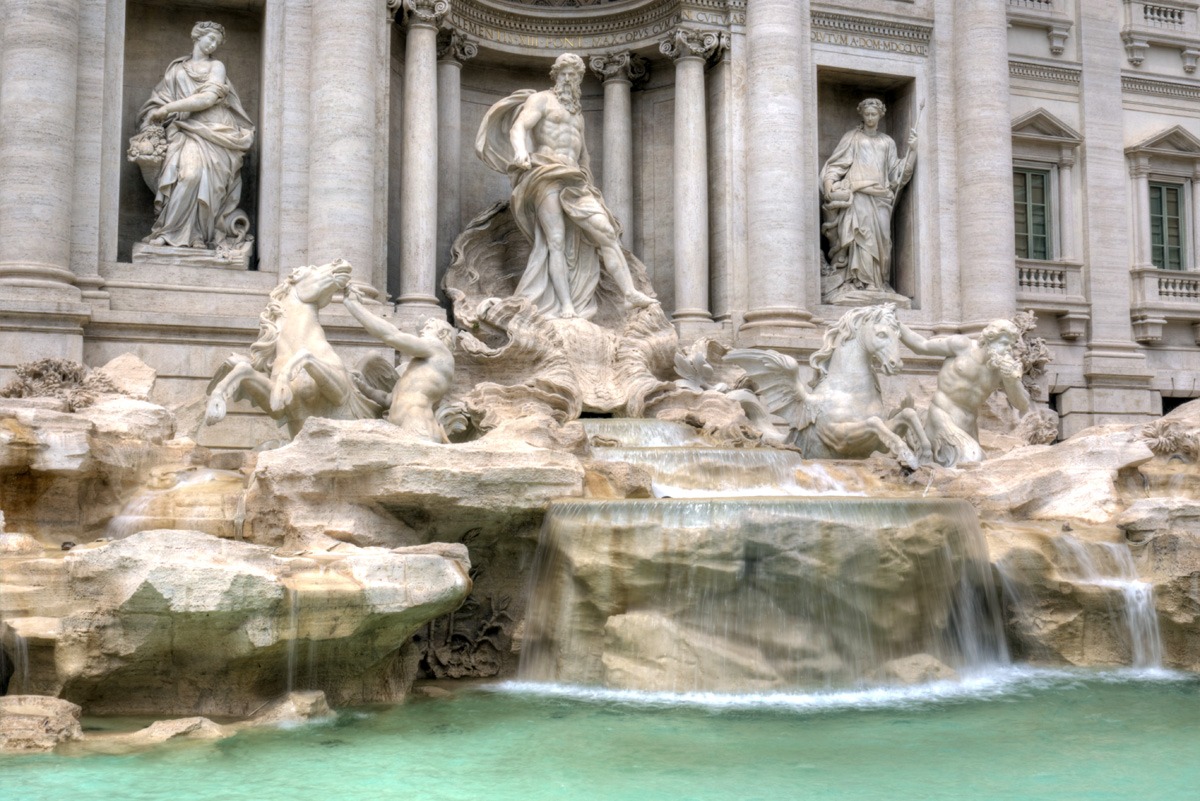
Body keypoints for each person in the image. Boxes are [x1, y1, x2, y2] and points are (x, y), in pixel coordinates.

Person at [475, 53, 655, 320]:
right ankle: (566, 306)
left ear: (580, 79)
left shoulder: (577, 115)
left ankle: (629, 293)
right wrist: (521, 152)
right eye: (564, 73)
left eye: (574, 74)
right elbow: (519, 127)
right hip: (545, 173)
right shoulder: (541, 100)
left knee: (606, 232)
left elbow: (584, 156)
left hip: (575, 179)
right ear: (555, 76)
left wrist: (590, 184)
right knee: (555, 241)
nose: (569, 78)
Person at [136, 21, 255, 250]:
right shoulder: (176, 70)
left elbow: (208, 99)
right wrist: (155, 113)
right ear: (197, 36)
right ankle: (168, 231)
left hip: (215, 130)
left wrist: (167, 110)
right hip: (183, 129)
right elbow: (158, 100)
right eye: (209, 39)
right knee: (189, 176)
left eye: (217, 42)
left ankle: (199, 235)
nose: (212, 45)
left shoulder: (216, 66)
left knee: (207, 181)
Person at [899, 320, 1031, 467]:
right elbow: (921, 346)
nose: (1008, 350)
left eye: (1011, 346)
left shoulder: (1002, 370)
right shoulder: (962, 346)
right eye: (1005, 343)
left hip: (969, 427)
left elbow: (1022, 404)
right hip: (942, 417)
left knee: (978, 465)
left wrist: (1011, 380)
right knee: (971, 459)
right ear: (989, 339)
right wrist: (896, 324)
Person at [820, 98, 916, 294]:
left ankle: (879, 282)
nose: (870, 118)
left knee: (883, 241)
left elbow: (897, 174)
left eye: (874, 114)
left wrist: (913, 152)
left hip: (881, 197)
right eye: (867, 114)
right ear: (862, 115)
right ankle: (859, 282)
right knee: (861, 238)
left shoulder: (887, 142)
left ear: (880, 115)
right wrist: (829, 183)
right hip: (858, 195)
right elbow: (836, 165)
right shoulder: (852, 137)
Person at [343, 284, 456, 443]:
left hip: (417, 425)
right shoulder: (418, 368)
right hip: (399, 427)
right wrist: (363, 387)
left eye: (428, 328)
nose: (422, 332)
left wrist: (354, 306)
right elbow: (388, 399)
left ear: (442, 333)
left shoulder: (438, 348)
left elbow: (392, 336)